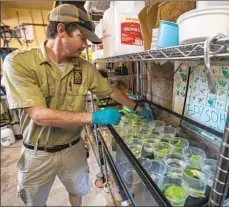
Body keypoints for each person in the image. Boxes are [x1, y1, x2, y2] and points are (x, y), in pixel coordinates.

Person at [3, 4, 152, 206]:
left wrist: (136, 107)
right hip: (37, 153)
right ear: (62, 29)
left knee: (77, 192)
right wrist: (94, 117)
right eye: (82, 38)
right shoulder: (20, 62)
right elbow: (39, 115)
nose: (85, 45)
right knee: (34, 201)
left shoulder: (84, 68)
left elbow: (111, 91)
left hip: (72, 148)